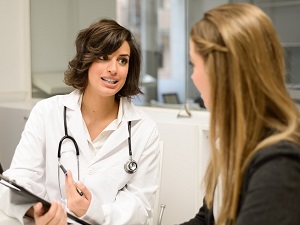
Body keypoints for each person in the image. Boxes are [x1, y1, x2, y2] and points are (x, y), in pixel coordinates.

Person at [0, 18, 160, 225]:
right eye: (104, 57)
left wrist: (91, 212)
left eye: (122, 60)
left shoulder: (143, 130)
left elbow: (140, 206)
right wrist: (37, 210)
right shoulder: (47, 113)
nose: (114, 69)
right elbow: (16, 182)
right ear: (86, 60)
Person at [180, 3, 300, 225]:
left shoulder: (279, 161)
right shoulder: (235, 142)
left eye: (194, 65)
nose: (193, 77)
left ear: (220, 72)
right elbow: (206, 220)